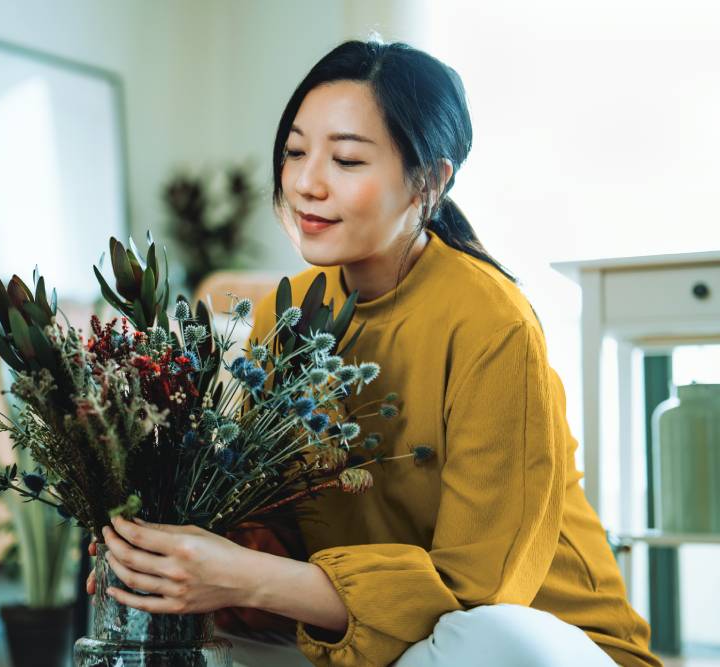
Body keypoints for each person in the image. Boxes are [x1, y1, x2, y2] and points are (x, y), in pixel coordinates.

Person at [90, 38, 661, 667]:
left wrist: (247, 577)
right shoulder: (289, 316)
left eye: (347, 160)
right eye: (296, 152)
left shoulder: (492, 322)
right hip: (378, 644)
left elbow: (479, 597)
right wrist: (168, 559)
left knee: (490, 637)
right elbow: (275, 537)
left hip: (533, 644)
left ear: (430, 179)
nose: (307, 183)